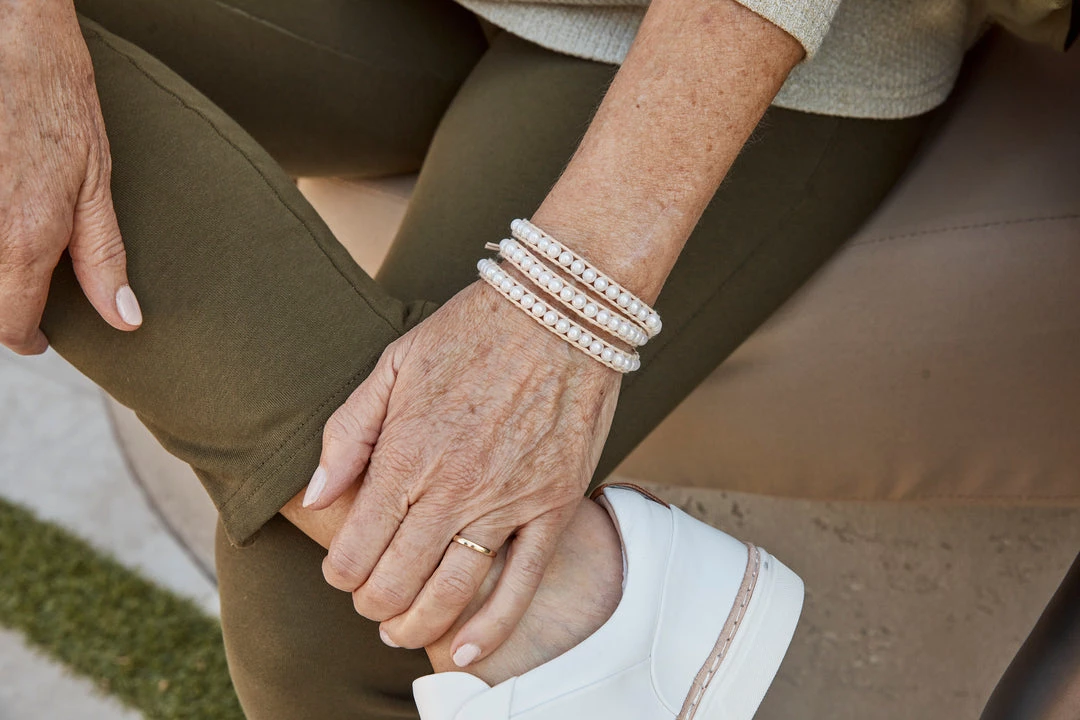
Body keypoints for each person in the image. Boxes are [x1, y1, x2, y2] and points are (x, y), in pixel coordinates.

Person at [1, 0, 1037, 717]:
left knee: (342, 622)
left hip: (722, 41)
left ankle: (568, 604)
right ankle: (571, 602)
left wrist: (562, 310)